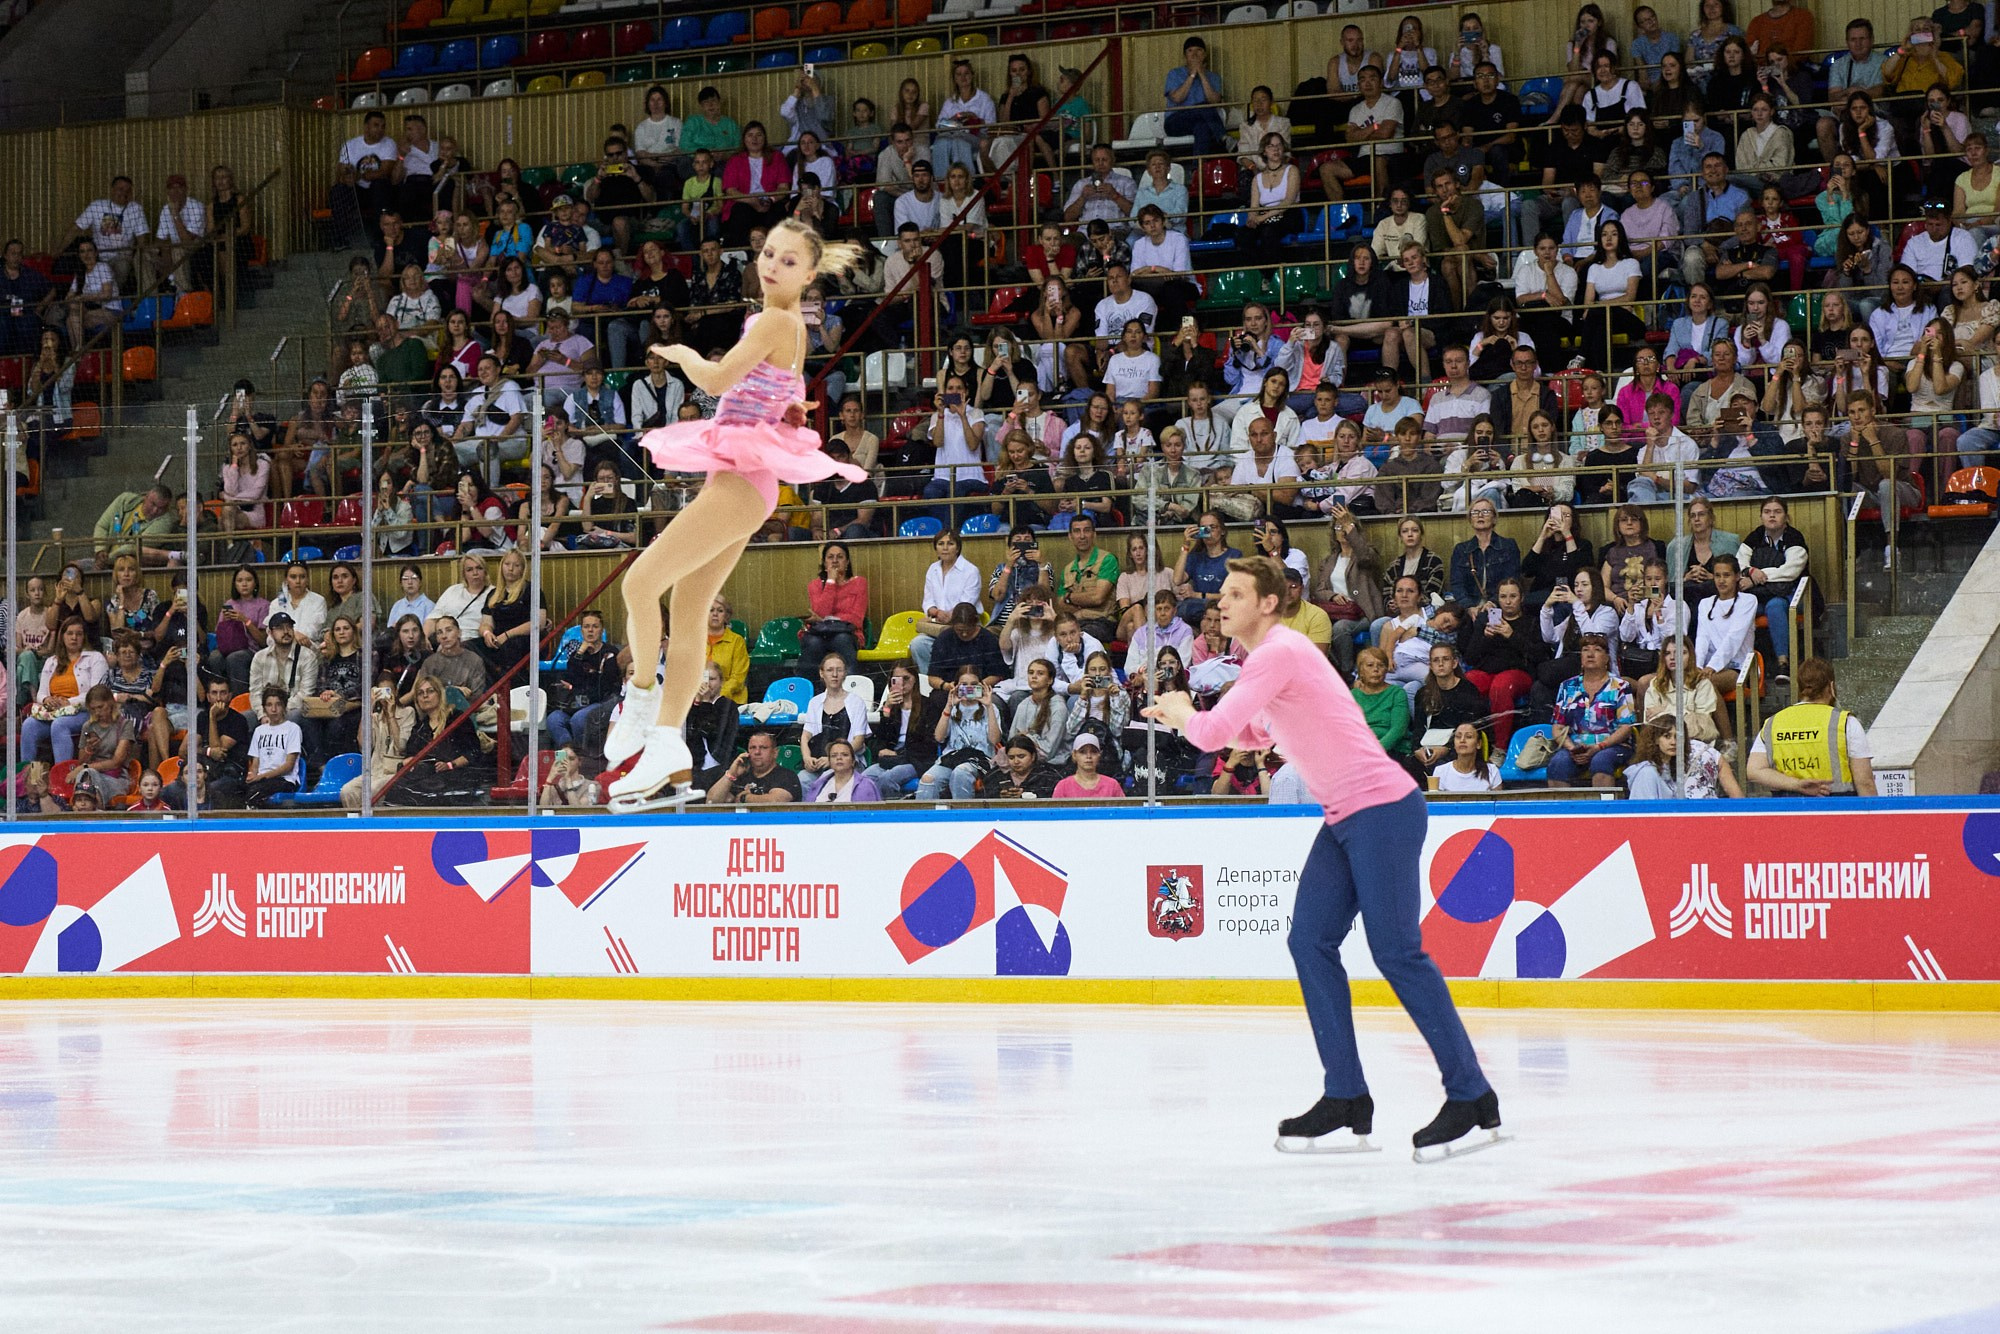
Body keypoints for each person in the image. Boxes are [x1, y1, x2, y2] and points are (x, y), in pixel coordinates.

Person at [1143, 557, 1499, 1158]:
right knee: (1309, 940)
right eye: (1220, 593)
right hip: (1344, 819)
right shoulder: (1271, 661)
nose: (1220, 602)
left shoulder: (1279, 650)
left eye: (1235, 593)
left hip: (1383, 811)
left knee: (1396, 952)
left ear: (1269, 604)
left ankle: (1471, 1092)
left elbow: (1213, 733)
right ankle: (1347, 1094)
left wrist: (1185, 715)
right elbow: (1254, 733)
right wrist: (1197, 721)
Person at [601, 222, 867, 808]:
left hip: (743, 480)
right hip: (743, 474)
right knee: (690, 606)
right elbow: (783, 388)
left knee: (642, 583)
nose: (771, 264)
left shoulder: (777, 320)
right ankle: (670, 742)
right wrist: (789, 407)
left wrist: (681, 354)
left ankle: (642, 703)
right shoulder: (787, 326)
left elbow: (718, 378)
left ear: (809, 274)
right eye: (768, 251)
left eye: (788, 260)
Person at [1746, 656, 1876, 796]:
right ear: (1831, 686)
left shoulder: (1772, 723)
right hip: (1838, 809)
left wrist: (1796, 785)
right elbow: (1864, 782)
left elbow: (1754, 771)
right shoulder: (1845, 722)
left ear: (1800, 687)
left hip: (1789, 810)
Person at [1547, 633, 1636, 788]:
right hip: (1576, 747)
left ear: (1607, 659)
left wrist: (1598, 747)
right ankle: (1563, 811)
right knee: (1557, 763)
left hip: (1612, 746)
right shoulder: (1568, 687)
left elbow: (1626, 728)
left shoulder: (1620, 686)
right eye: (1585, 650)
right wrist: (1572, 748)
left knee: (1600, 760)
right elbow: (1557, 727)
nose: (1590, 654)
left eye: (1597, 650)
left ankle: (1604, 811)